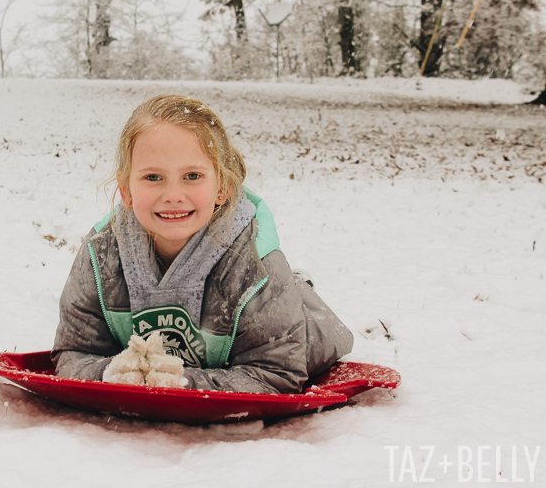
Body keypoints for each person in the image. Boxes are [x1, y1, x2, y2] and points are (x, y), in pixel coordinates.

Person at [51, 95, 353, 394]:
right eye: (153, 177)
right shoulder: (101, 254)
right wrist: (110, 374)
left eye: (192, 176)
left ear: (221, 186)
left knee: (284, 301)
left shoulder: (255, 263)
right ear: (126, 190)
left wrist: (181, 382)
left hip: (299, 333)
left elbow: (276, 373)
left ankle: (299, 287)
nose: (173, 194)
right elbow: (74, 353)